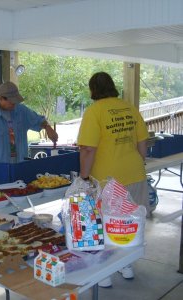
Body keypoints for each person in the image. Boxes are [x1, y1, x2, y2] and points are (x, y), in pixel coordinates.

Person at [77, 71, 149, 288]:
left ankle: (104, 273)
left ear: (93, 90)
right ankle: (126, 265)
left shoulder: (95, 111)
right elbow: (142, 142)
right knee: (129, 223)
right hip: (134, 173)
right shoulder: (129, 108)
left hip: (108, 181)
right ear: (113, 86)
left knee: (105, 225)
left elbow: (88, 149)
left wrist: (84, 177)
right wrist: (137, 163)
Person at [0, 81, 58, 163]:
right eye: (12, 102)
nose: (14, 104)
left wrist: (48, 128)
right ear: (1, 98)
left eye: (16, 101)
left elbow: (39, 121)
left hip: (19, 167)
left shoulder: (22, 111)